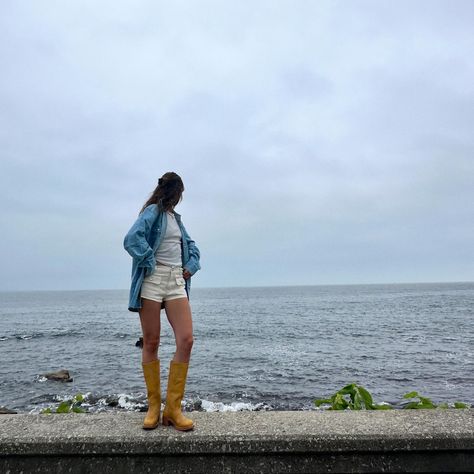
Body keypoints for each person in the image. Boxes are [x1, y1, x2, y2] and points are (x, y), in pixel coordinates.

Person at [123, 172, 201, 431]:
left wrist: (190, 265)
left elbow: (192, 246)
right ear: (174, 191)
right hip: (153, 281)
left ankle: (173, 409)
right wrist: (150, 260)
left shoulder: (176, 220)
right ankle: (154, 407)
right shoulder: (152, 213)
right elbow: (131, 238)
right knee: (152, 341)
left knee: (186, 339)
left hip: (176, 281)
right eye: (180, 193)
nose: (181, 198)